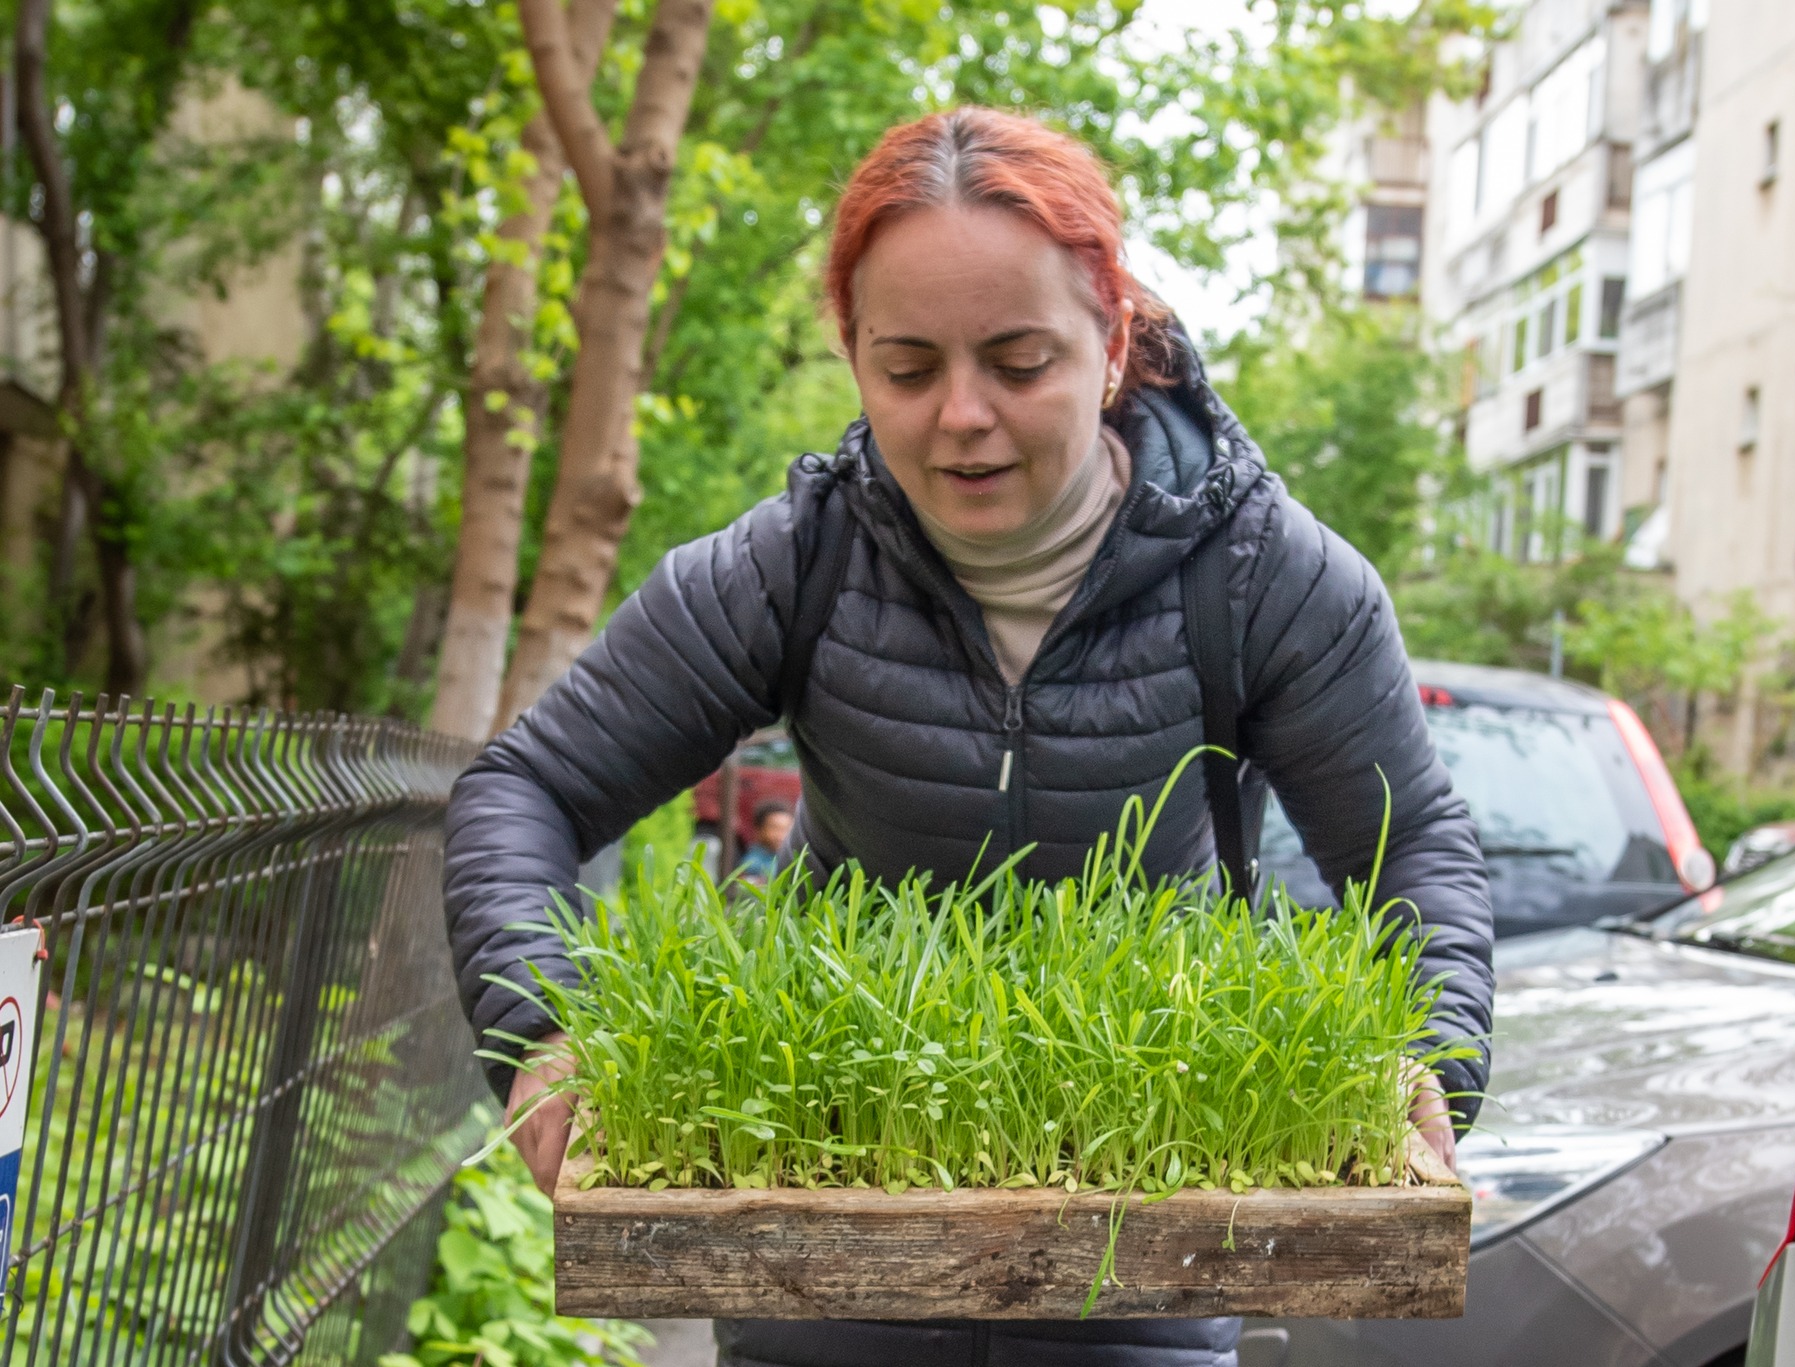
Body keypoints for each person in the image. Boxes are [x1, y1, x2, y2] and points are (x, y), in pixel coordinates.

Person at [444, 107, 1493, 1367]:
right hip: (813, 1238)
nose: (961, 416)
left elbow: (1412, 844)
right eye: (906, 367)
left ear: (1110, 343)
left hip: (1142, 1255)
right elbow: (527, 784)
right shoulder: (795, 561)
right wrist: (542, 1024)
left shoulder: (1268, 578)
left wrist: (1427, 1059)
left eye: (1017, 360)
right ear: (851, 354)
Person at [735, 800, 794, 882]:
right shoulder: (753, 859)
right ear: (758, 830)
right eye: (774, 828)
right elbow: (741, 880)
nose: (781, 835)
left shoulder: (791, 855)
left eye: (786, 828)